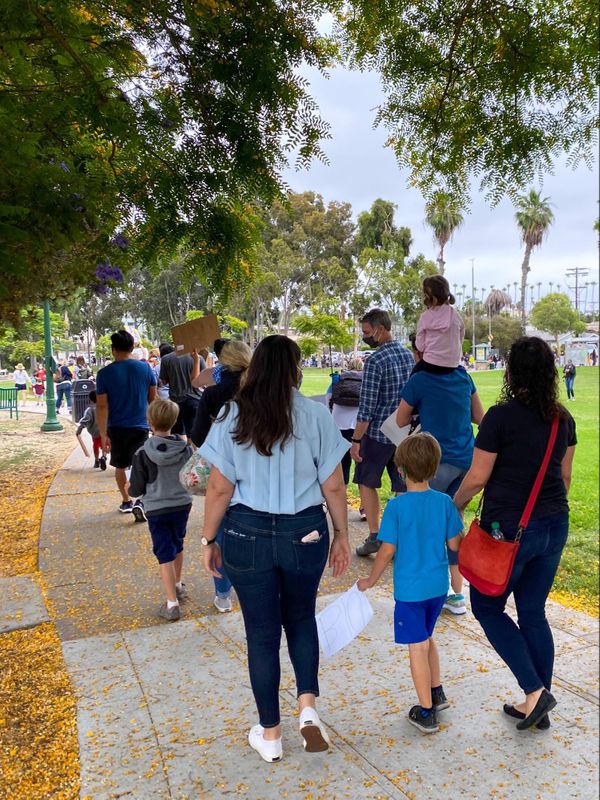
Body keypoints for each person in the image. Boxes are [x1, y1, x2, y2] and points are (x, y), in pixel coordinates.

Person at [199, 335, 351, 763]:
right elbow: (334, 484)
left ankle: (270, 735)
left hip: (246, 533)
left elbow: (218, 488)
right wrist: (342, 533)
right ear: (295, 368)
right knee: (301, 618)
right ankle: (307, 709)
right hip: (305, 530)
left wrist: (209, 539)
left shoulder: (232, 413)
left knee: (261, 635)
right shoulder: (315, 414)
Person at [453, 337, 577, 731]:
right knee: (533, 612)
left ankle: (535, 693)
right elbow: (566, 476)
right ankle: (536, 702)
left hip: (508, 530)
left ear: (511, 372)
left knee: (488, 608)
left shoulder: (500, 417)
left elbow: (477, 477)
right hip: (554, 523)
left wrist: (452, 505)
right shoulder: (563, 418)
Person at [357, 433, 463, 733]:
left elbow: (386, 549)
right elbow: (455, 541)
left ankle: (426, 711)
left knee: (416, 646)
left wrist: (371, 579)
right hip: (436, 587)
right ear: (435, 467)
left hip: (410, 591)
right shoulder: (444, 503)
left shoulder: (397, 507)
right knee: (428, 638)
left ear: (400, 470)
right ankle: (437, 690)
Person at [396, 339, 485, 615]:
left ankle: (433, 589)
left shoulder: (419, 380)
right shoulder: (463, 376)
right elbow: (479, 416)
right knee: (454, 523)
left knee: (428, 526)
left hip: (432, 462)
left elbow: (399, 421)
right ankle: (458, 594)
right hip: (466, 461)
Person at [190, 340, 252, 612]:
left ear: (222, 361)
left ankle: (223, 591)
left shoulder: (213, 393)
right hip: (257, 466)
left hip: (223, 467)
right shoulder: (259, 388)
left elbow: (198, 437)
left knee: (221, 532)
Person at [351, 309, 415, 556]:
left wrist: (356, 439)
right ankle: (397, 537)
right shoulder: (409, 356)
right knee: (403, 486)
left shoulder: (375, 361)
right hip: (404, 432)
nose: (365, 336)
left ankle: (376, 536)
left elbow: (366, 408)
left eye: (367, 332)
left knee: (366, 482)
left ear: (380, 329)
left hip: (377, 435)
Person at [129, 399, 193, 621]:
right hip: (182, 504)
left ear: (149, 422)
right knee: (177, 543)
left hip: (157, 507)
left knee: (163, 552)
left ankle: (171, 602)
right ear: (174, 421)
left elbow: (136, 488)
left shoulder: (142, 453)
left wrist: (130, 488)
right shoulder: (185, 449)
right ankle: (177, 584)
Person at [95, 330, 157, 514]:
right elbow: (152, 399)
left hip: (117, 427)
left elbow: (102, 406)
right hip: (140, 425)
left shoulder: (104, 374)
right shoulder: (145, 368)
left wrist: (103, 433)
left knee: (120, 465)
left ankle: (126, 501)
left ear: (114, 349)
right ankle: (141, 500)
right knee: (142, 465)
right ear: (132, 348)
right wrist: (154, 424)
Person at [326, 356, 364, 490]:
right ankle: (364, 495)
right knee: (361, 461)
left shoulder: (339, 379)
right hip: (359, 425)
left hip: (339, 424)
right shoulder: (365, 380)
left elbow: (328, 397)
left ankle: (344, 489)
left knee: (343, 461)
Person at [415, 275, 464, 372]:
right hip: (453, 364)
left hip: (430, 363)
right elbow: (460, 339)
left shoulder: (424, 317)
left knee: (414, 376)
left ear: (427, 296)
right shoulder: (456, 315)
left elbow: (420, 346)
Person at [159, 345, 205, 438]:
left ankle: (182, 451)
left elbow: (163, 381)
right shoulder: (199, 358)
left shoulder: (166, 359)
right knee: (193, 435)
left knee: (178, 434)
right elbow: (203, 379)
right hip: (195, 400)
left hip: (176, 402)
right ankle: (192, 451)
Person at [76, 391, 106, 469]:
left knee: (95, 446)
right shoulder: (105, 407)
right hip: (106, 432)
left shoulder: (90, 410)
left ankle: (96, 460)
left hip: (95, 432)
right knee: (104, 445)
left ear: (91, 400)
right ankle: (103, 457)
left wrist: (80, 428)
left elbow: (86, 419)